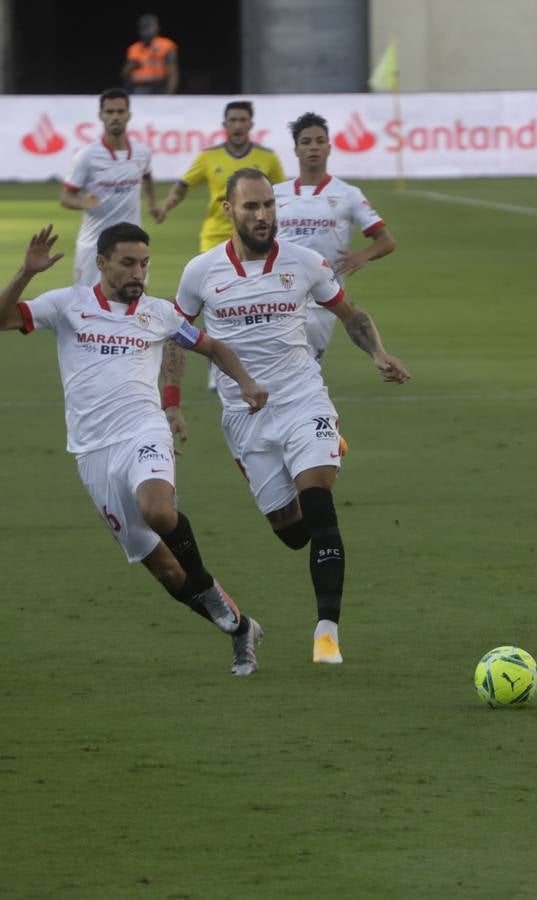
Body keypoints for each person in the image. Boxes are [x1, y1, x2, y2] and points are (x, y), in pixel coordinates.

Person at [162, 168, 410, 666]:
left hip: (303, 400)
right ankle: (312, 461)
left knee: (319, 504)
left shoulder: (305, 263)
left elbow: (352, 316)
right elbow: (177, 338)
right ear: (228, 211)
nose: (262, 215)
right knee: (292, 533)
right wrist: (171, 402)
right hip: (245, 419)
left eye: (269, 205)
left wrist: (378, 353)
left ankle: (326, 634)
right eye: (251, 207)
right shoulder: (201, 272)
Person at [0, 222, 268, 675]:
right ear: (102, 263)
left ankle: (205, 584)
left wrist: (246, 382)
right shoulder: (69, 305)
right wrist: (25, 273)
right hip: (92, 452)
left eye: (144, 263)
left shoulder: (159, 314)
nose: (137, 273)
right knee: (166, 571)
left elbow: (212, 347)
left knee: (159, 512)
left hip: (144, 430)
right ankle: (242, 630)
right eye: (127, 263)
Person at [157, 100, 285, 392]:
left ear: (251, 125)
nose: (238, 125)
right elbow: (184, 183)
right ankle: (219, 366)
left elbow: (282, 194)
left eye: (243, 120)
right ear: (225, 125)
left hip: (255, 240)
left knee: (251, 300)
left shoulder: (267, 158)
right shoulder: (208, 157)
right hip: (215, 238)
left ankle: (257, 358)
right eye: (233, 120)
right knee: (213, 302)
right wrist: (167, 205)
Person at [274, 111, 396, 363]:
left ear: (329, 148)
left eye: (319, 141)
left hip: (323, 301)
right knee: (274, 369)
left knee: (305, 370)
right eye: (306, 142)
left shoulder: (348, 194)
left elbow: (386, 240)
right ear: (296, 150)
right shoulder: (276, 194)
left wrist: (364, 255)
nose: (313, 147)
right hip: (278, 296)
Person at [60, 89, 159, 287]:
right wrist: (81, 202)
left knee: (135, 297)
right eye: (110, 112)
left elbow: (147, 177)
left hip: (133, 243)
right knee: (86, 301)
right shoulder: (87, 155)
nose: (115, 117)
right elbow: (65, 197)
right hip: (94, 245)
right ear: (101, 115)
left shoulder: (142, 152)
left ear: (129, 115)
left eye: (120, 111)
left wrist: (152, 205)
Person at [121, 14, 178, 95]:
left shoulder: (166, 45)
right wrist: (132, 64)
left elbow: (173, 72)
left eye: (149, 26)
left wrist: (170, 93)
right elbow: (125, 73)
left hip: (160, 87)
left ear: (157, 28)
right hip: (140, 88)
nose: (146, 30)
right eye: (144, 27)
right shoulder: (135, 48)